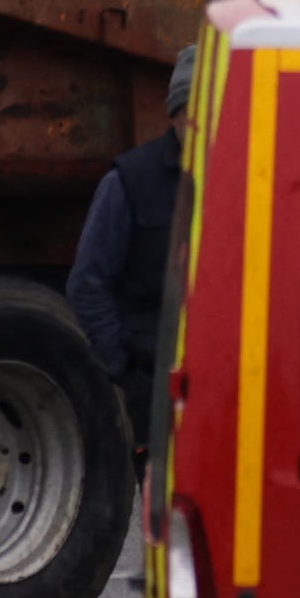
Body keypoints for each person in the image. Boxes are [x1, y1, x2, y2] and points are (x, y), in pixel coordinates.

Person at [63, 126, 180, 447]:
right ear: (175, 113)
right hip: (152, 386)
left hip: (220, 389)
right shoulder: (130, 180)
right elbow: (87, 286)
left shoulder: (240, 175)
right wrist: (124, 371)